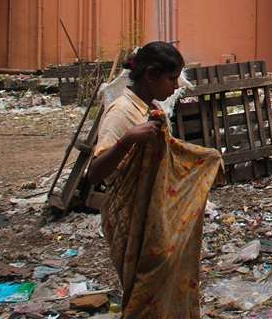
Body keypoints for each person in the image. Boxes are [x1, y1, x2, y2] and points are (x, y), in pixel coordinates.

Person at [88, 42, 223, 319]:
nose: (176, 86)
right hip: (130, 214)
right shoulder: (121, 112)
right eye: (172, 78)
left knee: (165, 270)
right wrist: (127, 140)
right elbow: (95, 174)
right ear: (150, 75)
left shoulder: (149, 110)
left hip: (152, 211)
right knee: (146, 283)